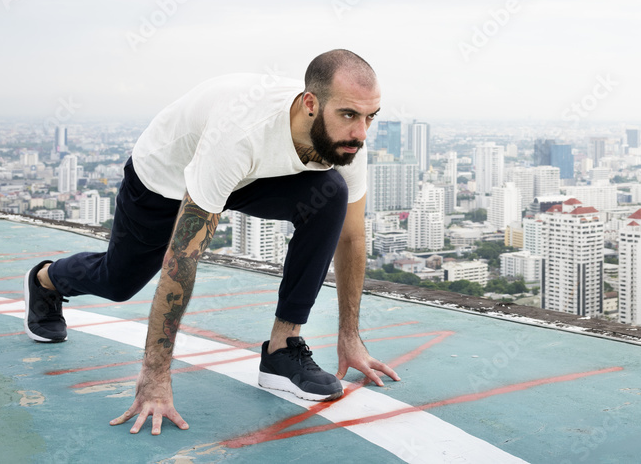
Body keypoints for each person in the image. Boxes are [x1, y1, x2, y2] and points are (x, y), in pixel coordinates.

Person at [23, 49, 399, 435]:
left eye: (370, 117)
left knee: (330, 195)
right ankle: (46, 280)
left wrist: (350, 337)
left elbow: (351, 236)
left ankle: (282, 349)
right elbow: (182, 258)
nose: (361, 131)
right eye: (349, 115)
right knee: (118, 282)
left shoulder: (345, 139)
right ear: (310, 104)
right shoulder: (241, 131)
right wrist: (155, 376)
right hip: (162, 181)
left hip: (249, 177)